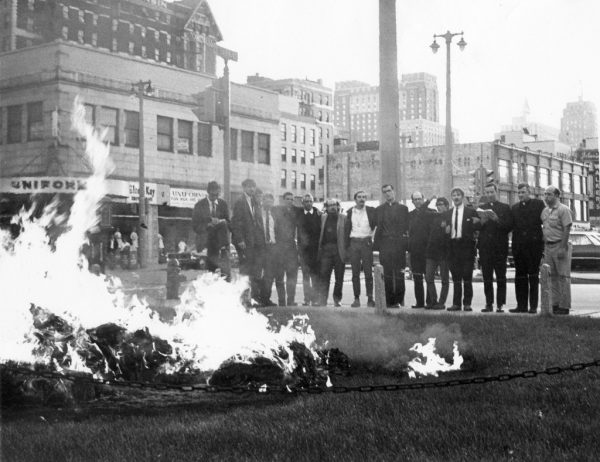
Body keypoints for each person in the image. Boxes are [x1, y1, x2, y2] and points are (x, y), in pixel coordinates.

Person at [509, 183, 546, 314]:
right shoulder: (514, 208)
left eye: (523, 192)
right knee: (520, 277)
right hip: (519, 247)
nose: (520, 195)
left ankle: (533, 306)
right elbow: (510, 226)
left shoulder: (538, 204)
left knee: (533, 276)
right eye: (518, 193)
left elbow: (545, 221)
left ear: (529, 192)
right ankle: (521, 305)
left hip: (533, 247)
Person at [477, 183, 513, 313]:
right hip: (485, 248)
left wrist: (497, 219)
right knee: (487, 276)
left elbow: (509, 226)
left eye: (491, 192)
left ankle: (500, 304)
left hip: (499, 248)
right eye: (487, 192)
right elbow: (477, 228)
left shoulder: (505, 208)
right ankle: (489, 303)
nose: (489, 195)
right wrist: (482, 221)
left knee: (500, 277)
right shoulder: (481, 208)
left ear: (496, 192)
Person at [374, 184, 409, 308]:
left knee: (399, 273)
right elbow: (376, 227)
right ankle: (389, 301)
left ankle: (399, 300)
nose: (387, 194)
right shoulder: (379, 210)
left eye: (389, 191)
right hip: (385, 245)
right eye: (385, 192)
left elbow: (407, 228)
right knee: (387, 274)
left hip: (398, 245)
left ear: (394, 191)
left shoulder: (403, 209)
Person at [231, 178, 265, 305]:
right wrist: (240, 240)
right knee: (245, 271)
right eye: (249, 187)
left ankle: (255, 298)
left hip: (256, 243)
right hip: (245, 243)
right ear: (244, 188)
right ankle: (244, 300)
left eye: (253, 186)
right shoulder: (240, 202)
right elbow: (236, 222)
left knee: (256, 271)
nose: (252, 189)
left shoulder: (255, 202)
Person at [446, 188, 480, 312]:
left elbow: (477, 227)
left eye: (458, 195)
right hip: (453, 247)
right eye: (454, 195)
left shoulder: (470, 212)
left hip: (466, 247)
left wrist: (476, 224)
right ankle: (456, 304)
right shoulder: (448, 213)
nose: (456, 197)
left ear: (462, 196)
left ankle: (467, 303)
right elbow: (444, 230)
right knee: (456, 278)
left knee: (467, 277)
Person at [541, 186, 572, 315]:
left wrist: (562, 248)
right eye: (545, 194)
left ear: (556, 196)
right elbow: (544, 228)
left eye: (549, 194)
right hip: (548, 247)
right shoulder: (545, 211)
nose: (546, 196)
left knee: (563, 276)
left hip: (560, 245)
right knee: (551, 276)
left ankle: (564, 306)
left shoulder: (563, 210)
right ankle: (555, 303)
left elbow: (567, 229)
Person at [191, 181, 231, 281]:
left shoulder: (223, 204)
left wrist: (222, 221)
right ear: (208, 192)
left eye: (217, 194)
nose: (215, 197)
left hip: (222, 244)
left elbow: (229, 222)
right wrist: (208, 225)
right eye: (213, 195)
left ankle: (226, 291)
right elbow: (195, 226)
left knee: (225, 273)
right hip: (208, 243)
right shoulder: (199, 205)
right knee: (211, 273)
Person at [344, 190, 377, 308]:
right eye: (359, 197)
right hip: (354, 243)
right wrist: (347, 247)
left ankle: (370, 299)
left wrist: (372, 238)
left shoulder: (371, 211)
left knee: (368, 272)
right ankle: (356, 298)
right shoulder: (349, 212)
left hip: (366, 243)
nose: (362, 199)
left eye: (364, 197)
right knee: (355, 273)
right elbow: (346, 230)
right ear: (355, 199)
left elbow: (377, 225)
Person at [317, 199, 347, 307]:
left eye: (334, 205)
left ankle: (337, 299)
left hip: (339, 250)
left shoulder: (343, 217)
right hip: (326, 250)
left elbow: (347, 234)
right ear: (326, 207)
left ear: (338, 206)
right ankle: (322, 300)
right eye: (330, 205)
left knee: (339, 277)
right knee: (324, 276)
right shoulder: (323, 217)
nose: (332, 207)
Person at [408, 191, 436, 308]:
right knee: (417, 278)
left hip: (428, 250)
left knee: (429, 277)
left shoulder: (431, 213)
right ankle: (419, 302)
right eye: (416, 199)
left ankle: (430, 302)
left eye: (420, 199)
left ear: (423, 199)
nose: (418, 201)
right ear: (412, 202)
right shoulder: (410, 215)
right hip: (415, 251)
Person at [271, 192, 299, 307]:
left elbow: (309, 210)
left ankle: (291, 300)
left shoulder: (297, 211)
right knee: (279, 277)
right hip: (279, 248)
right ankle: (282, 301)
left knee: (292, 277)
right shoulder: (276, 210)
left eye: (292, 199)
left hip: (291, 248)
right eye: (287, 199)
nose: (290, 201)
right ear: (283, 200)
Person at [424, 197, 450, 310]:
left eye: (441, 204)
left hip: (444, 253)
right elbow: (422, 211)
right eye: (437, 204)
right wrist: (428, 200)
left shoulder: (450, 216)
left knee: (444, 279)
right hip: (431, 253)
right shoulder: (433, 216)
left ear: (446, 205)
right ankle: (433, 301)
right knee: (429, 277)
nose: (439, 206)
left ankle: (441, 302)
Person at [297, 194, 321, 306]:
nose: (308, 203)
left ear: (313, 202)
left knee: (315, 277)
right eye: (306, 201)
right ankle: (307, 298)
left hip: (315, 251)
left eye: (310, 201)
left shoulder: (318, 214)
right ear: (302, 203)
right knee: (306, 277)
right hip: (303, 252)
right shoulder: (299, 214)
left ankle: (315, 299)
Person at [258, 193, 277, 306]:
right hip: (261, 247)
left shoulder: (274, 214)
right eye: (266, 201)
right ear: (263, 201)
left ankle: (266, 298)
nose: (268, 203)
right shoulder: (258, 213)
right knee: (259, 274)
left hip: (272, 247)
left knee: (270, 274)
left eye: (271, 201)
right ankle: (258, 298)